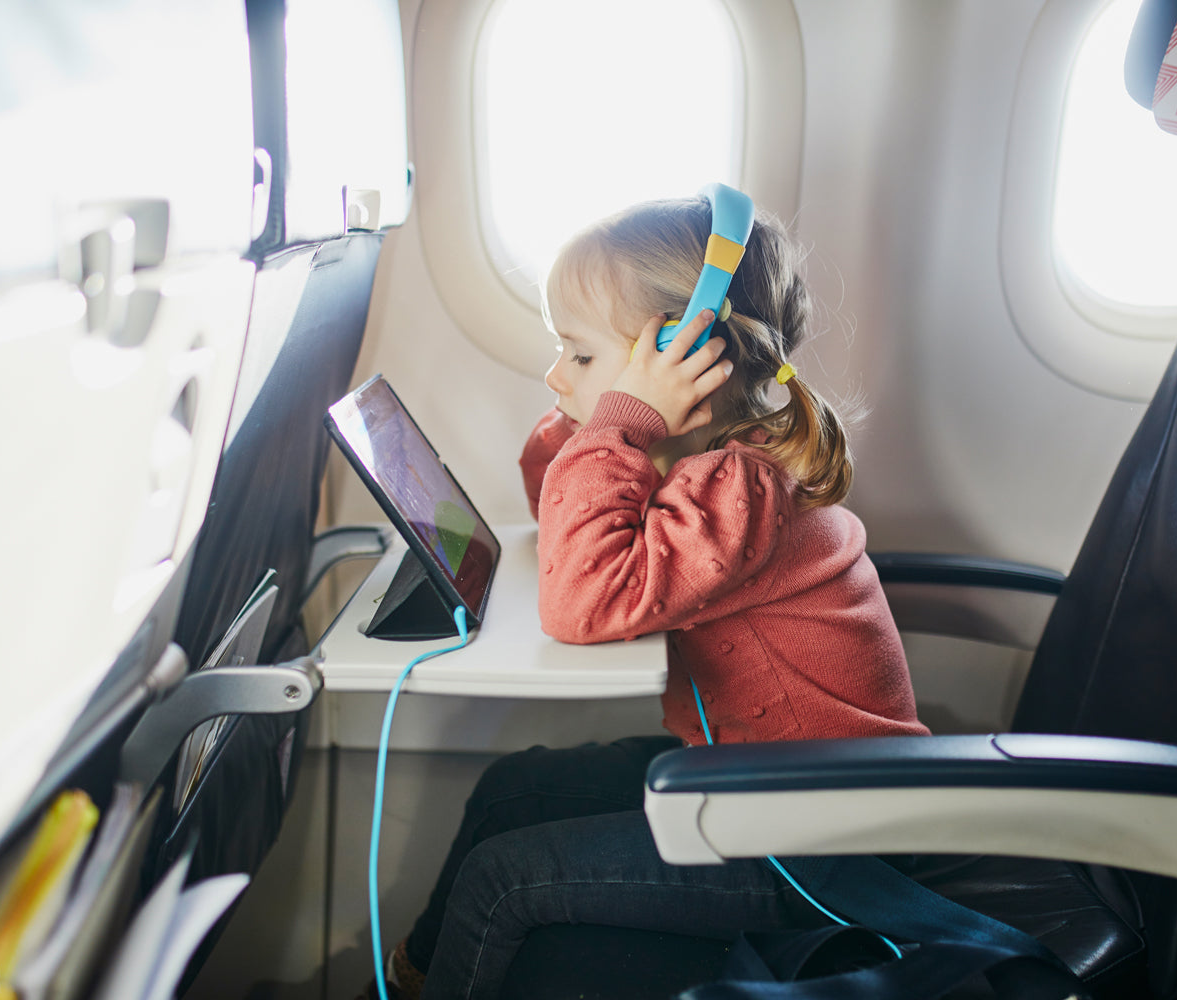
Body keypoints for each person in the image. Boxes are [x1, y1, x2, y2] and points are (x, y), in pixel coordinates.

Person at [369, 195, 928, 1000]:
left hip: (819, 843)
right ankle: (411, 983)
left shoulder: (740, 490)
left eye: (580, 355)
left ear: (687, 355)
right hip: (752, 784)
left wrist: (621, 423)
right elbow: (557, 513)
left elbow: (583, 601)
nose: (554, 376)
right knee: (510, 792)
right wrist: (609, 420)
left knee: (504, 877)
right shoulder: (696, 461)